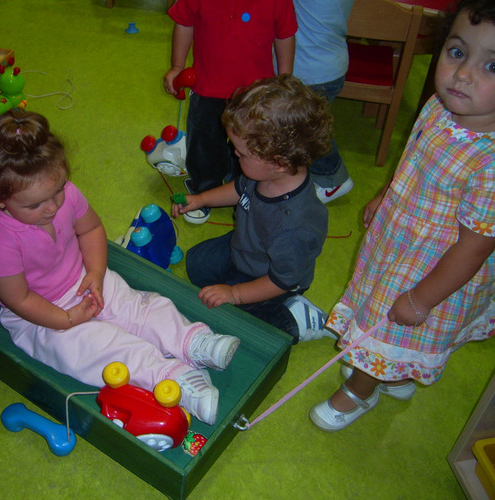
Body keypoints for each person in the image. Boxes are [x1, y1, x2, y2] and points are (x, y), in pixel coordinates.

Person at [0, 109, 241, 426]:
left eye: (58, 191)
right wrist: (66, 319)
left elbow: (91, 230)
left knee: (142, 308)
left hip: (84, 278)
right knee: (96, 350)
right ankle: (172, 378)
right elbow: (19, 300)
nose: (53, 207)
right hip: (41, 314)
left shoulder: (65, 194)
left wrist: (96, 273)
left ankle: (192, 341)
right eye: (35, 205)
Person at [310, 0, 495, 432]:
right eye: (457, 53)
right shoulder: (439, 108)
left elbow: (474, 248)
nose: (463, 73)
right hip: (401, 233)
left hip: (435, 266)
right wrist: (386, 193)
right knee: (382, 311)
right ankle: (394, 371)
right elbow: (413, 158)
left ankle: (360, 389)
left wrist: (421, 298)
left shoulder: (490, 164)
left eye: (492, 66)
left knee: (386, 322)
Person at [172, 75, 336, 343]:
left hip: (270, 277)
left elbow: (281, 280)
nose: (234, 155)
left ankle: (296, 318)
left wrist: (234, 294)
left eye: (241, 153)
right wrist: (201, 199)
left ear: (279, 162)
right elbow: (239, 188)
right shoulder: (264, 172)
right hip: (245, 247)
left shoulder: (293, 227)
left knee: (235, 323)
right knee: (197, 264)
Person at [163, 0, 297, 223]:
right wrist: (177, 66)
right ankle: (204, 187)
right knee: (204, 142)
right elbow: (185, 23)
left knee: (252, 149)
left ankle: (246, 194)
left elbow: (284, 36)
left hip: (255, 93)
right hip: (207, 85)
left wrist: (284, 80)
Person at [292, 0, 354, 203]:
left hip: (312, 70)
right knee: (307, 125)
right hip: (329, 63)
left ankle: (332, 179)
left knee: (306, 128)